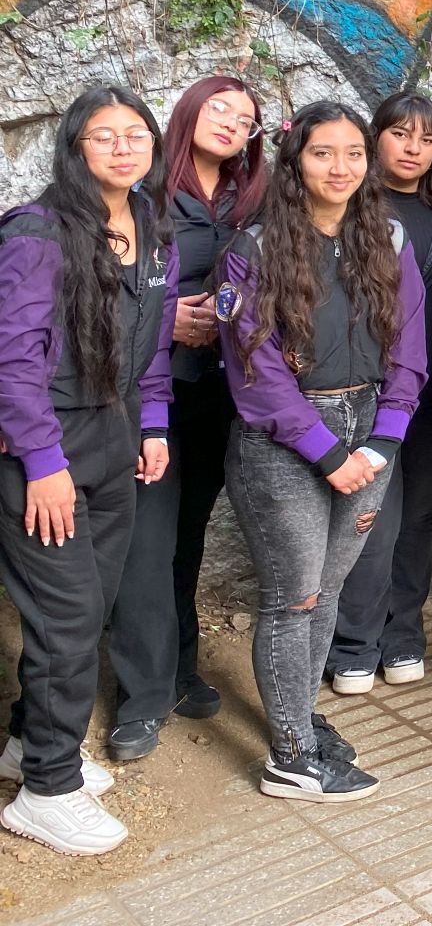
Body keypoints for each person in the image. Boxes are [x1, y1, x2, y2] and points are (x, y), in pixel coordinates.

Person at [217, 102, 427, 800]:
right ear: (294, 162)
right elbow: (256, 375)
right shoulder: (252, 249)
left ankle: (300, 718)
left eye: (353, 153)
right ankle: (289, 756)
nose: (340, 167)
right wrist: (329, 455)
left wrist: (385, 439)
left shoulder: (388, 238)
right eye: (322, 153)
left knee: (328, 590)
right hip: (284, 442)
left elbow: (410, 346)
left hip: (370, 429)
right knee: (295, 596)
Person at [0, 86, 176, 856]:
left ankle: (28, 744)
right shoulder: (37, 234)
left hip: (115, 435)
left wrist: (154, 422)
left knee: (84, 609)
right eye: (103, 136)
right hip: (46, 445)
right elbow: (11, 361)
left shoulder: (150, 225)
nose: (122, 147)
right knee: (67, 614)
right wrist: (42, 463)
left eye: (135, 134)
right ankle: (46, 790)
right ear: (75, 148)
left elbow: (156, 341)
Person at [104, 76, 265, 763]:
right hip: (152, 393)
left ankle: (177, 670)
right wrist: (168, 321)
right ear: (189, 111)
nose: (230, 121)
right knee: (147, 540)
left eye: (245, 117)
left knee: (186, 538)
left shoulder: (251, 198)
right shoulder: (145, 194)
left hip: (221, 395)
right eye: (218, 107)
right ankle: (139, 698)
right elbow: (104, 291)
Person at [326, 94, 432, 693]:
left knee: (415, 518)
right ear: (376, 138)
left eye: (426, 138)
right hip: (364, 395)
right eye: (400, 134)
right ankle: (353, 645)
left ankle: (403, 639)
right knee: (368, 519)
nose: (413, 148)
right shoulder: (348, 208)